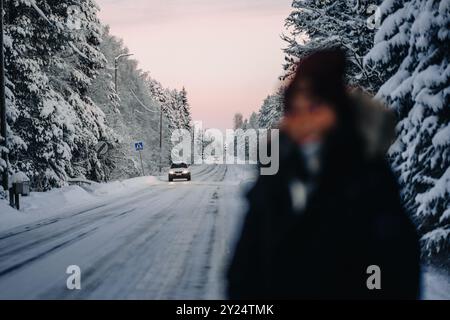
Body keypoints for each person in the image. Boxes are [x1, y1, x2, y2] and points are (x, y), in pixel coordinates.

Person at [227, 49, 421, 299]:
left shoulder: (367, 177)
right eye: (295, 110)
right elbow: (244, 269)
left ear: (336, 110)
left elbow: (396, 268)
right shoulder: (274, 176)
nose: (305, 119)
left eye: (315, 106)